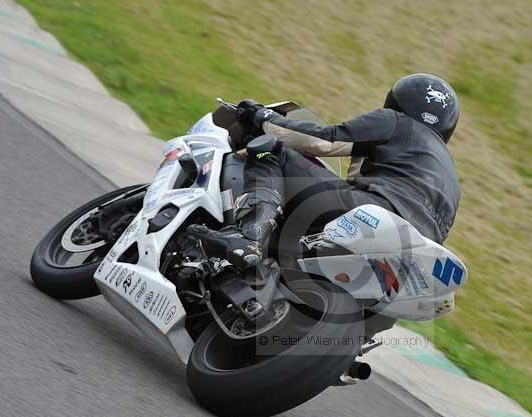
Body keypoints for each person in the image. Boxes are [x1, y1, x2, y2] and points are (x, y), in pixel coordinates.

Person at [189, 73, 461, 271]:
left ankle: (251, 236)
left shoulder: (396, 122)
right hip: (414, 254)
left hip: (373, 211)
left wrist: (262, 117)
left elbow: (324, 141)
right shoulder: (452, 179)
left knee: (269, 150)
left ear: (397, 102)